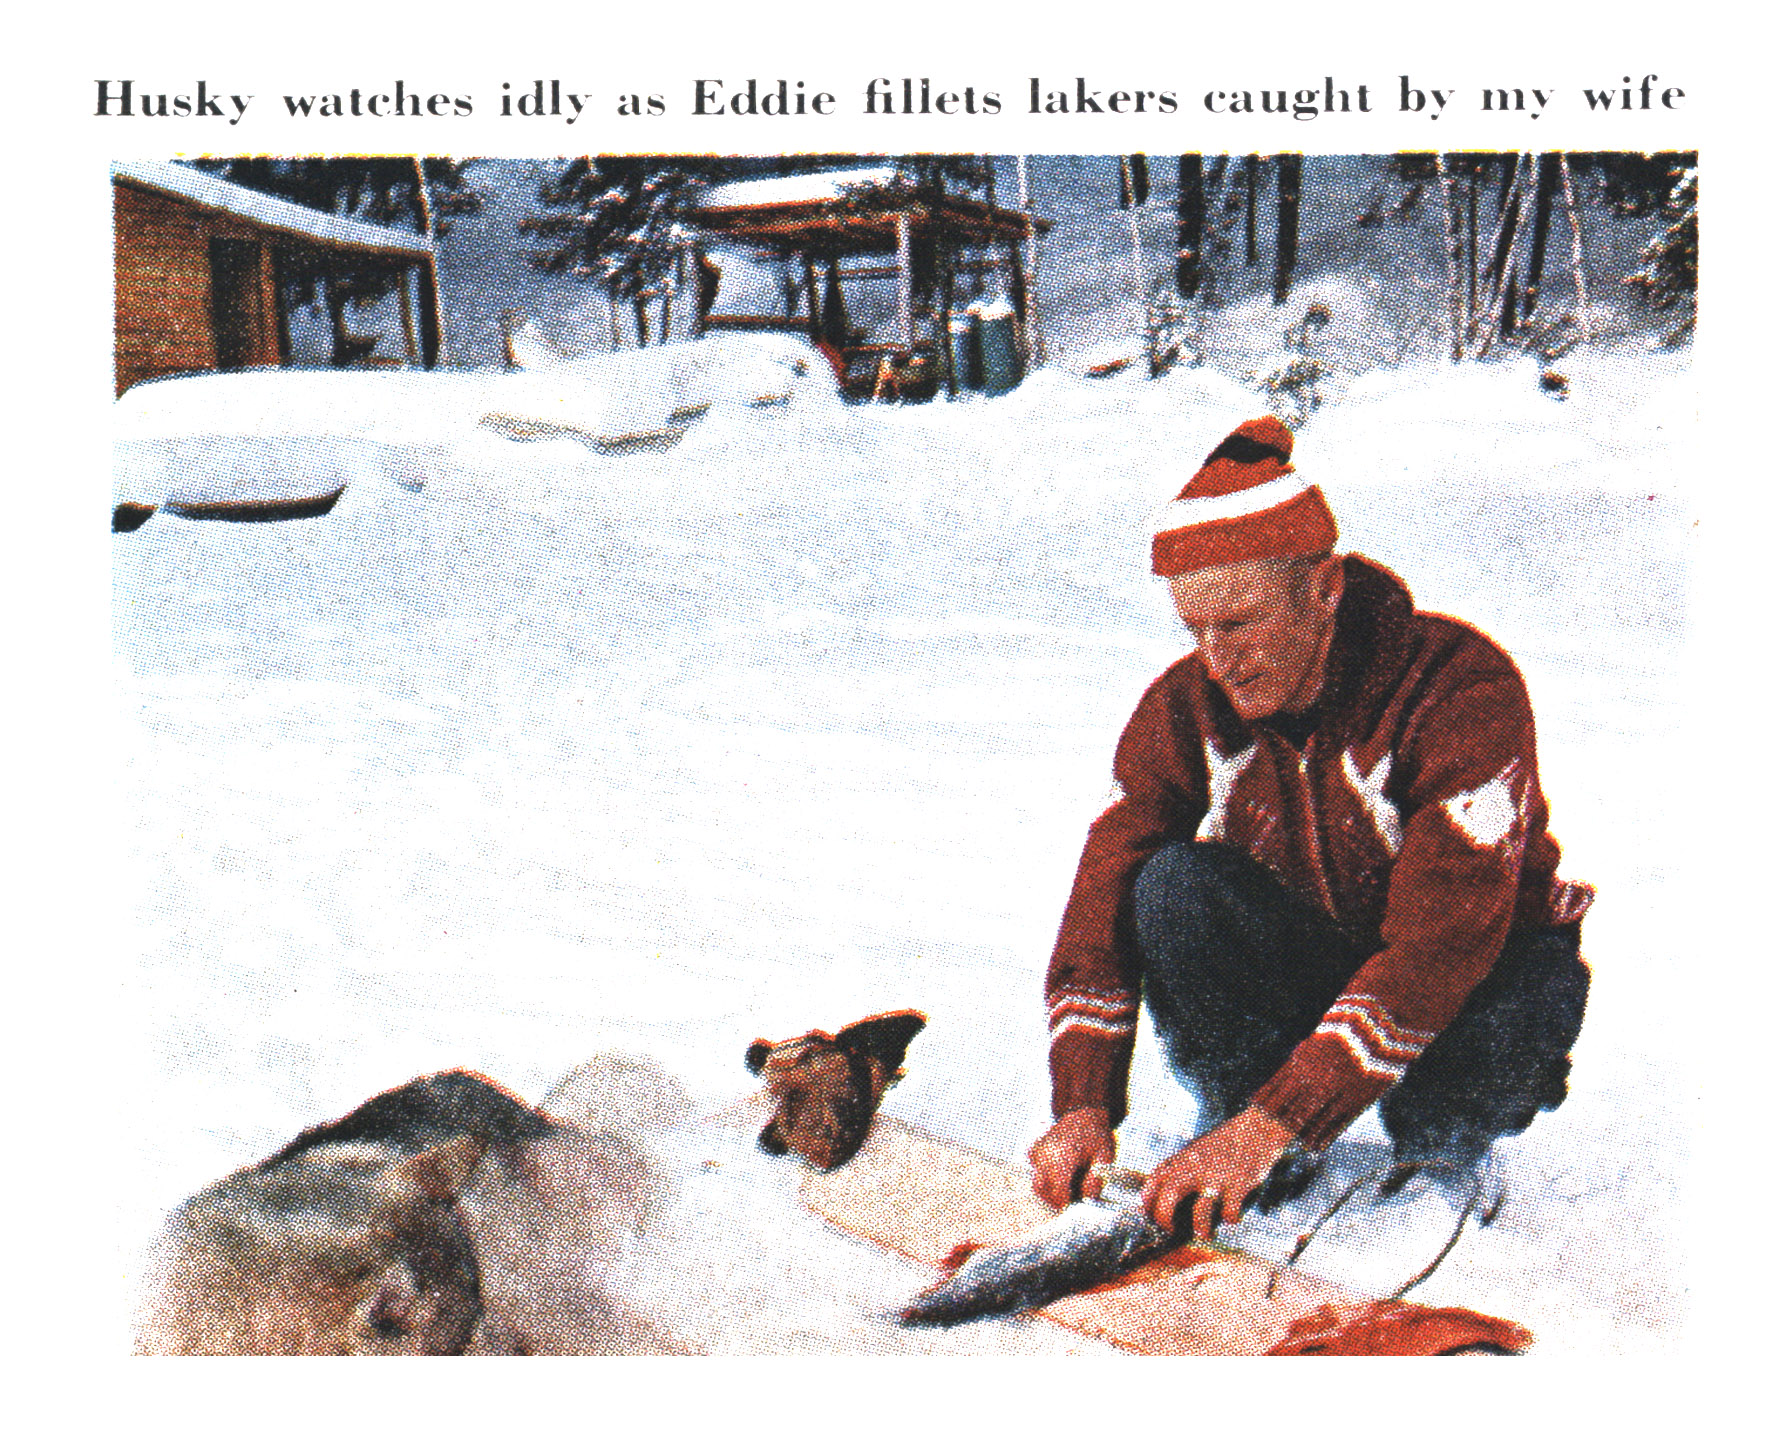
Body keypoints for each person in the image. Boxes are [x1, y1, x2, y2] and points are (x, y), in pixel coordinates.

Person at [1028, 416, 1591, 1243]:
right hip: (1318, 957)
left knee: (1512, 990)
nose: (1217, 659)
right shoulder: (1185, 708)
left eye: (1242, 622)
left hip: (1472, 972)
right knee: (1171, 885)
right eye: (1196, 630)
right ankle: (1255, 1130)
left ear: (1324, 588)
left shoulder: (1459, 687)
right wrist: (1080, 1100)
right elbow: (1104, 890)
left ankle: (1440, 1153)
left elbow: (1438, 944)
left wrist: (1273, 1119)